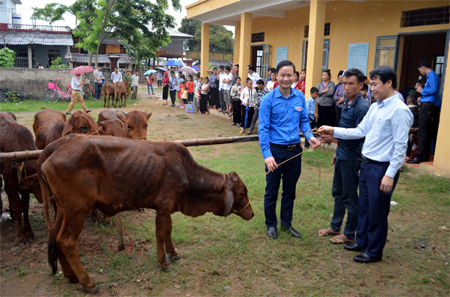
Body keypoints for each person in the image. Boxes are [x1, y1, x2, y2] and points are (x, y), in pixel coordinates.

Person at [318, 66, 413, 263]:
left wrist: (390, 173)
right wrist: (334, 130)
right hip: (367, 164)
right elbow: (359, 131)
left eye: (375, 85)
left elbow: (400, 146)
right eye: (371, 85)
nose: (372, 89)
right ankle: (361, 241)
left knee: (377, 211)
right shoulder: (376, 106)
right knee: (364, 207)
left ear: (389, 83)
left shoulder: (399, 110)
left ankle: (374, 251)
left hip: (382, 168)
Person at [259, 60, 320, 240]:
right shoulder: (268, 100)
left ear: (295, 76)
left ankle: (286, 223)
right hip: (275, 152)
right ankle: (271, 224)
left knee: (290, 190)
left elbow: (304, 121)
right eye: (282, 75)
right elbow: (263, 129)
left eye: (289, 75)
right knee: (272, 190)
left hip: (295, 151)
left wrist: (310, 136)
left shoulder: (300, 96)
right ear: (276, 76)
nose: (286, 79)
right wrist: (267, 155)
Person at [317, 68, 369, 245]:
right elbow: (346, 130)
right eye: (344, 83)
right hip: (342, 154)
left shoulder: (362, 107)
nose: (346, 87)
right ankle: (335, 226)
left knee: (350, 196)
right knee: (338, 192)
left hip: (352, 157)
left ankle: (349, 233)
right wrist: (337, 151)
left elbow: (360, 135)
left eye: (351, 84)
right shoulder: (346, 101)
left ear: (361, 85)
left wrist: (334, 138)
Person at [407, 61, 440, 164]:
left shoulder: (432, 76)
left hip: (428, 107)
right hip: (426, 105)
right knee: (425, 132)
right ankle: (424, 155)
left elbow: (433, 90)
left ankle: (420, 156)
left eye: (420, 70)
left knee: (423, 133)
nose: (421, 73)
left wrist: (422, 91)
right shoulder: (430, 76)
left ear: (423, 68)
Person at [406, 94, 419, 160]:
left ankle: (407, 156)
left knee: (407, 142)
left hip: (408, 128)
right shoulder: (418, 109)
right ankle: (408, 155)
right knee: (410, 143)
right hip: (415, 128)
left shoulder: (407, 110)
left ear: (408, 101)